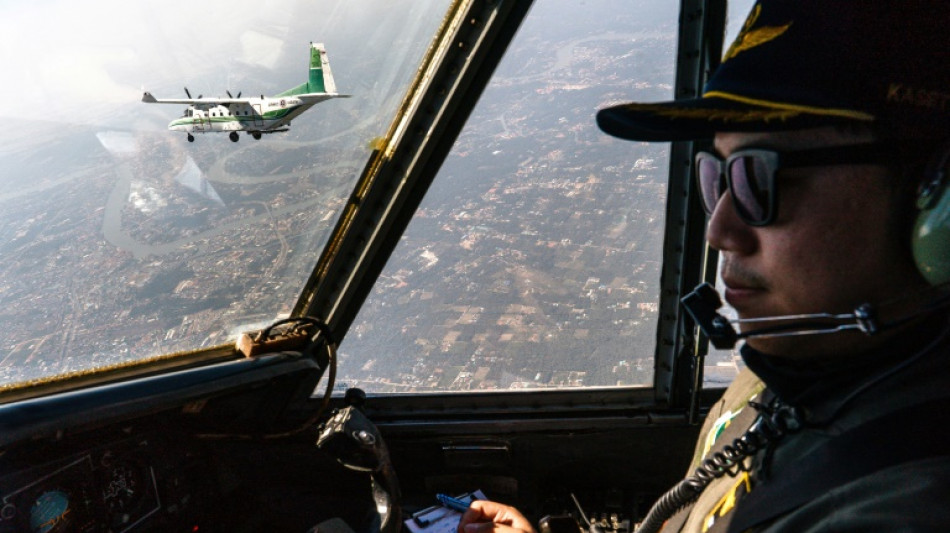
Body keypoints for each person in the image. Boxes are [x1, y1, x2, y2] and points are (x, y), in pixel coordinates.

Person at [459, 1, 950, 532]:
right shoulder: (789, 371)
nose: (720, 231)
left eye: (757, 180)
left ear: (936, 205)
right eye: (716, 177)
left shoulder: (899, 504)